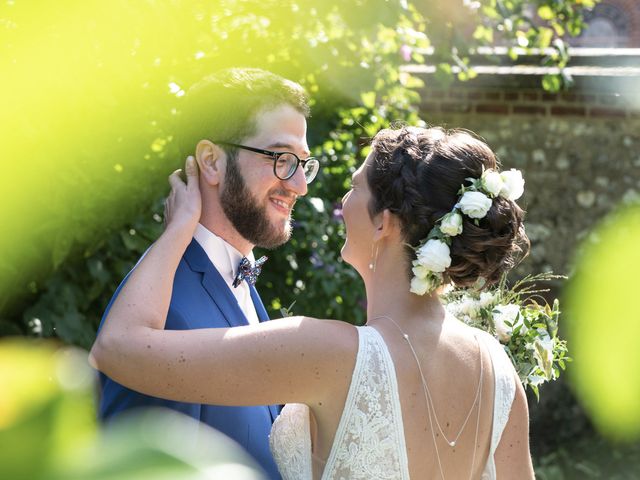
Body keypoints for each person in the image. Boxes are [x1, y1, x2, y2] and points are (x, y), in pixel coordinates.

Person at [91, 126, 536, 479]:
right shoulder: (498, 371)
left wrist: (177, 230)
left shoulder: (328, 352)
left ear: (384, 222)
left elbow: (118, 348)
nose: (341, 202)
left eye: (355, 188)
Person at [96, 67, 319, 479]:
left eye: (304, 164)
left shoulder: (242, 285)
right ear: (212, 161)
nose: (300, 184)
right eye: (283, 159)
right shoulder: (160, 315)